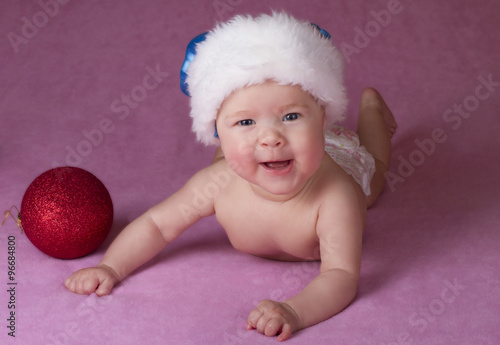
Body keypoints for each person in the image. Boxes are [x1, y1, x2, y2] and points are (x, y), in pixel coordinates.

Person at [65, 12, 397, 341]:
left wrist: (295, 311)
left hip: (340, 157)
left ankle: (371, 110)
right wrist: (110, 267)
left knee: (375, 169)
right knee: (235, 161)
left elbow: (341, 275)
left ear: (323, 119)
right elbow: (157, 224)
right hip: (264, 157)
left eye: (291, 115)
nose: (270, 137)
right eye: (245, 122)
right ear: (215, 131)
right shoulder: (216, 183)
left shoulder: (336, 197)